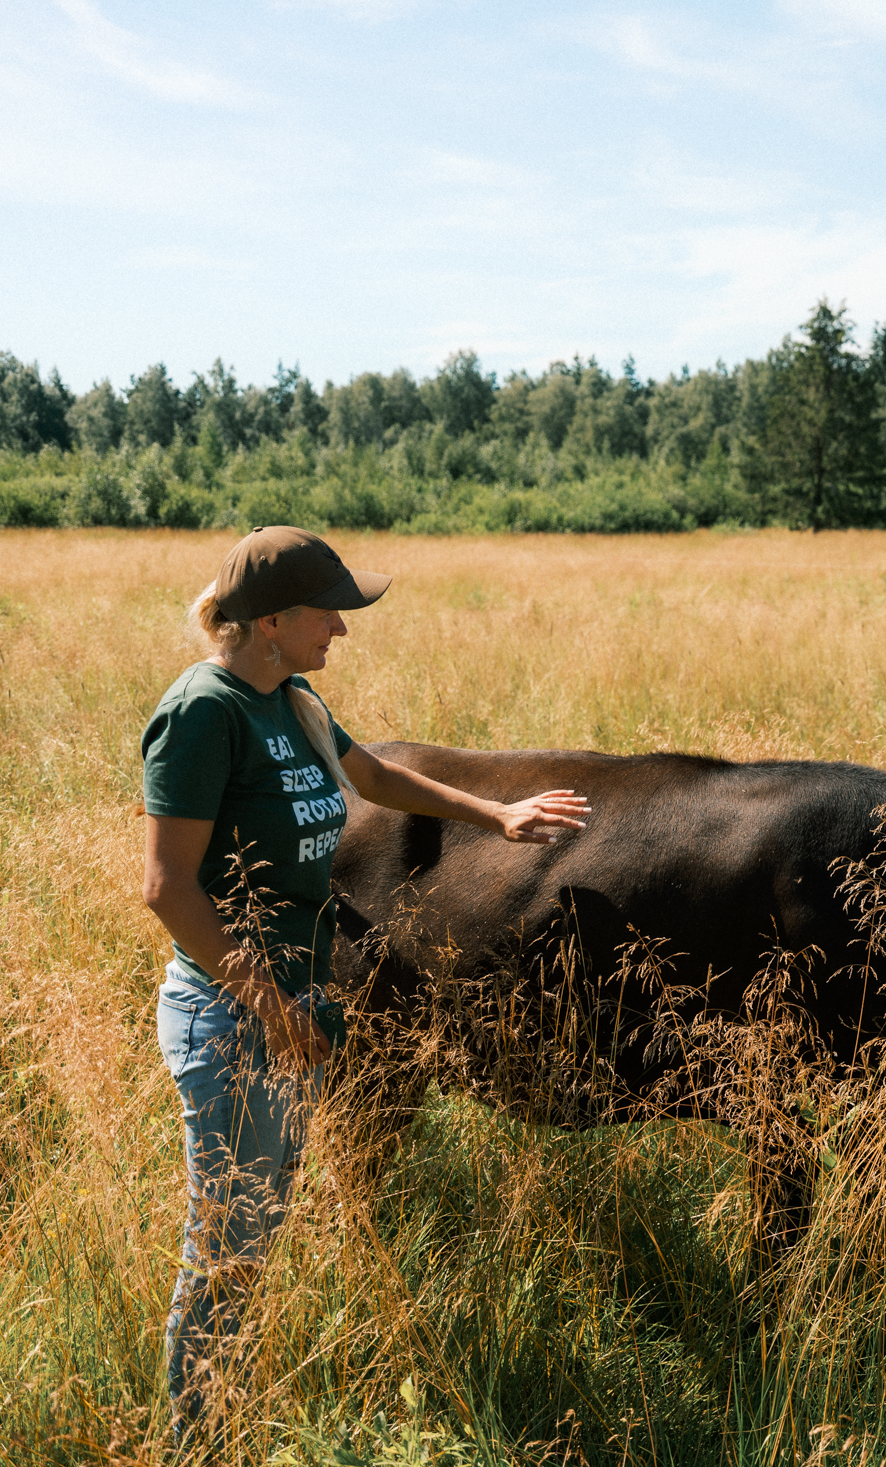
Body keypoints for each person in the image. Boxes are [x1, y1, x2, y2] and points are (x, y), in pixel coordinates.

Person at [141, 526, 590, 1451]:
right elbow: (168, 889)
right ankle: (196, 1441)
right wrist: (270, 1005)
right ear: (271, 621)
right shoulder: (204, 715)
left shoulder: (292, 699)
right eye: (328, 613)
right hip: (232, 1018)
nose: (341, 630)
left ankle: (223, 1421)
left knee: (256, 1234)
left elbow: (374, 777)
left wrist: (497, 814)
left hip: (294, 1010)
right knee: (226, 1251)